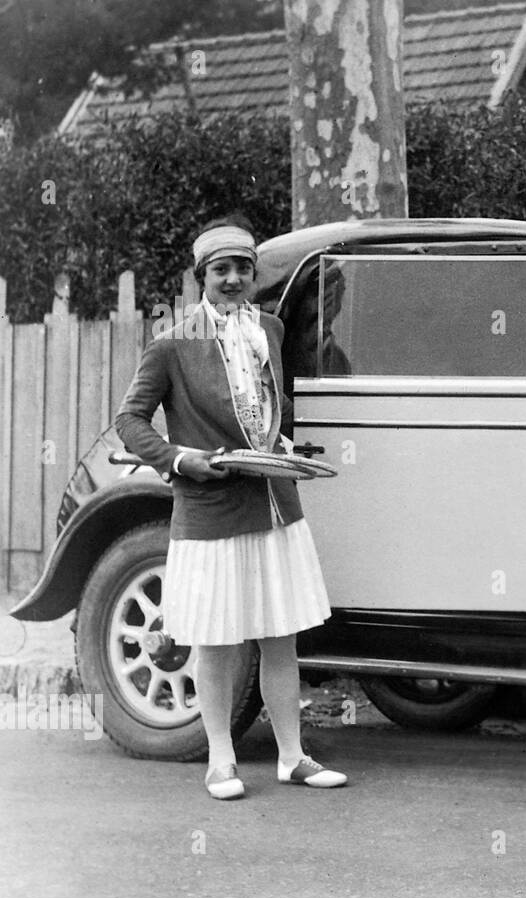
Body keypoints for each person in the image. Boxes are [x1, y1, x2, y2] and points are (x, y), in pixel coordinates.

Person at [116, 214, 347, 800]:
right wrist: (181, 460)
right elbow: (130, 421)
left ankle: (292, 756)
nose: (234, 279)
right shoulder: (172, 343)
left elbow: (272, 407)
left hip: (273, 505)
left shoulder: (270, 329)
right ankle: (221, 760)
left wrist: (283, 445)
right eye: (222, 269)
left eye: (244, 268)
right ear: (202, 277)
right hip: (211, 513)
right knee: (217, 642)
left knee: (281, 637)